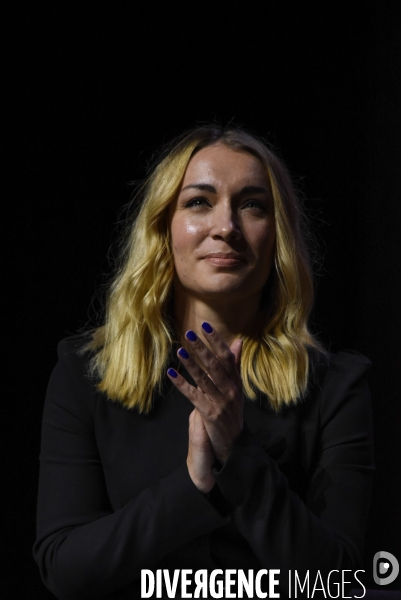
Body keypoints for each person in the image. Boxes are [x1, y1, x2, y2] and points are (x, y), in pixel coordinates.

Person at [33, 124, 374, 599]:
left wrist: (238, 450)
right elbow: (66, 571)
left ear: (278, 235)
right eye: (199, 202)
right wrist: (192, 487)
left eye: (253, 204)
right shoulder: (84, 374)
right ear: (162, 227)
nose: (227, 226)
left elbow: (340, 581)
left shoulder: (336, 386)